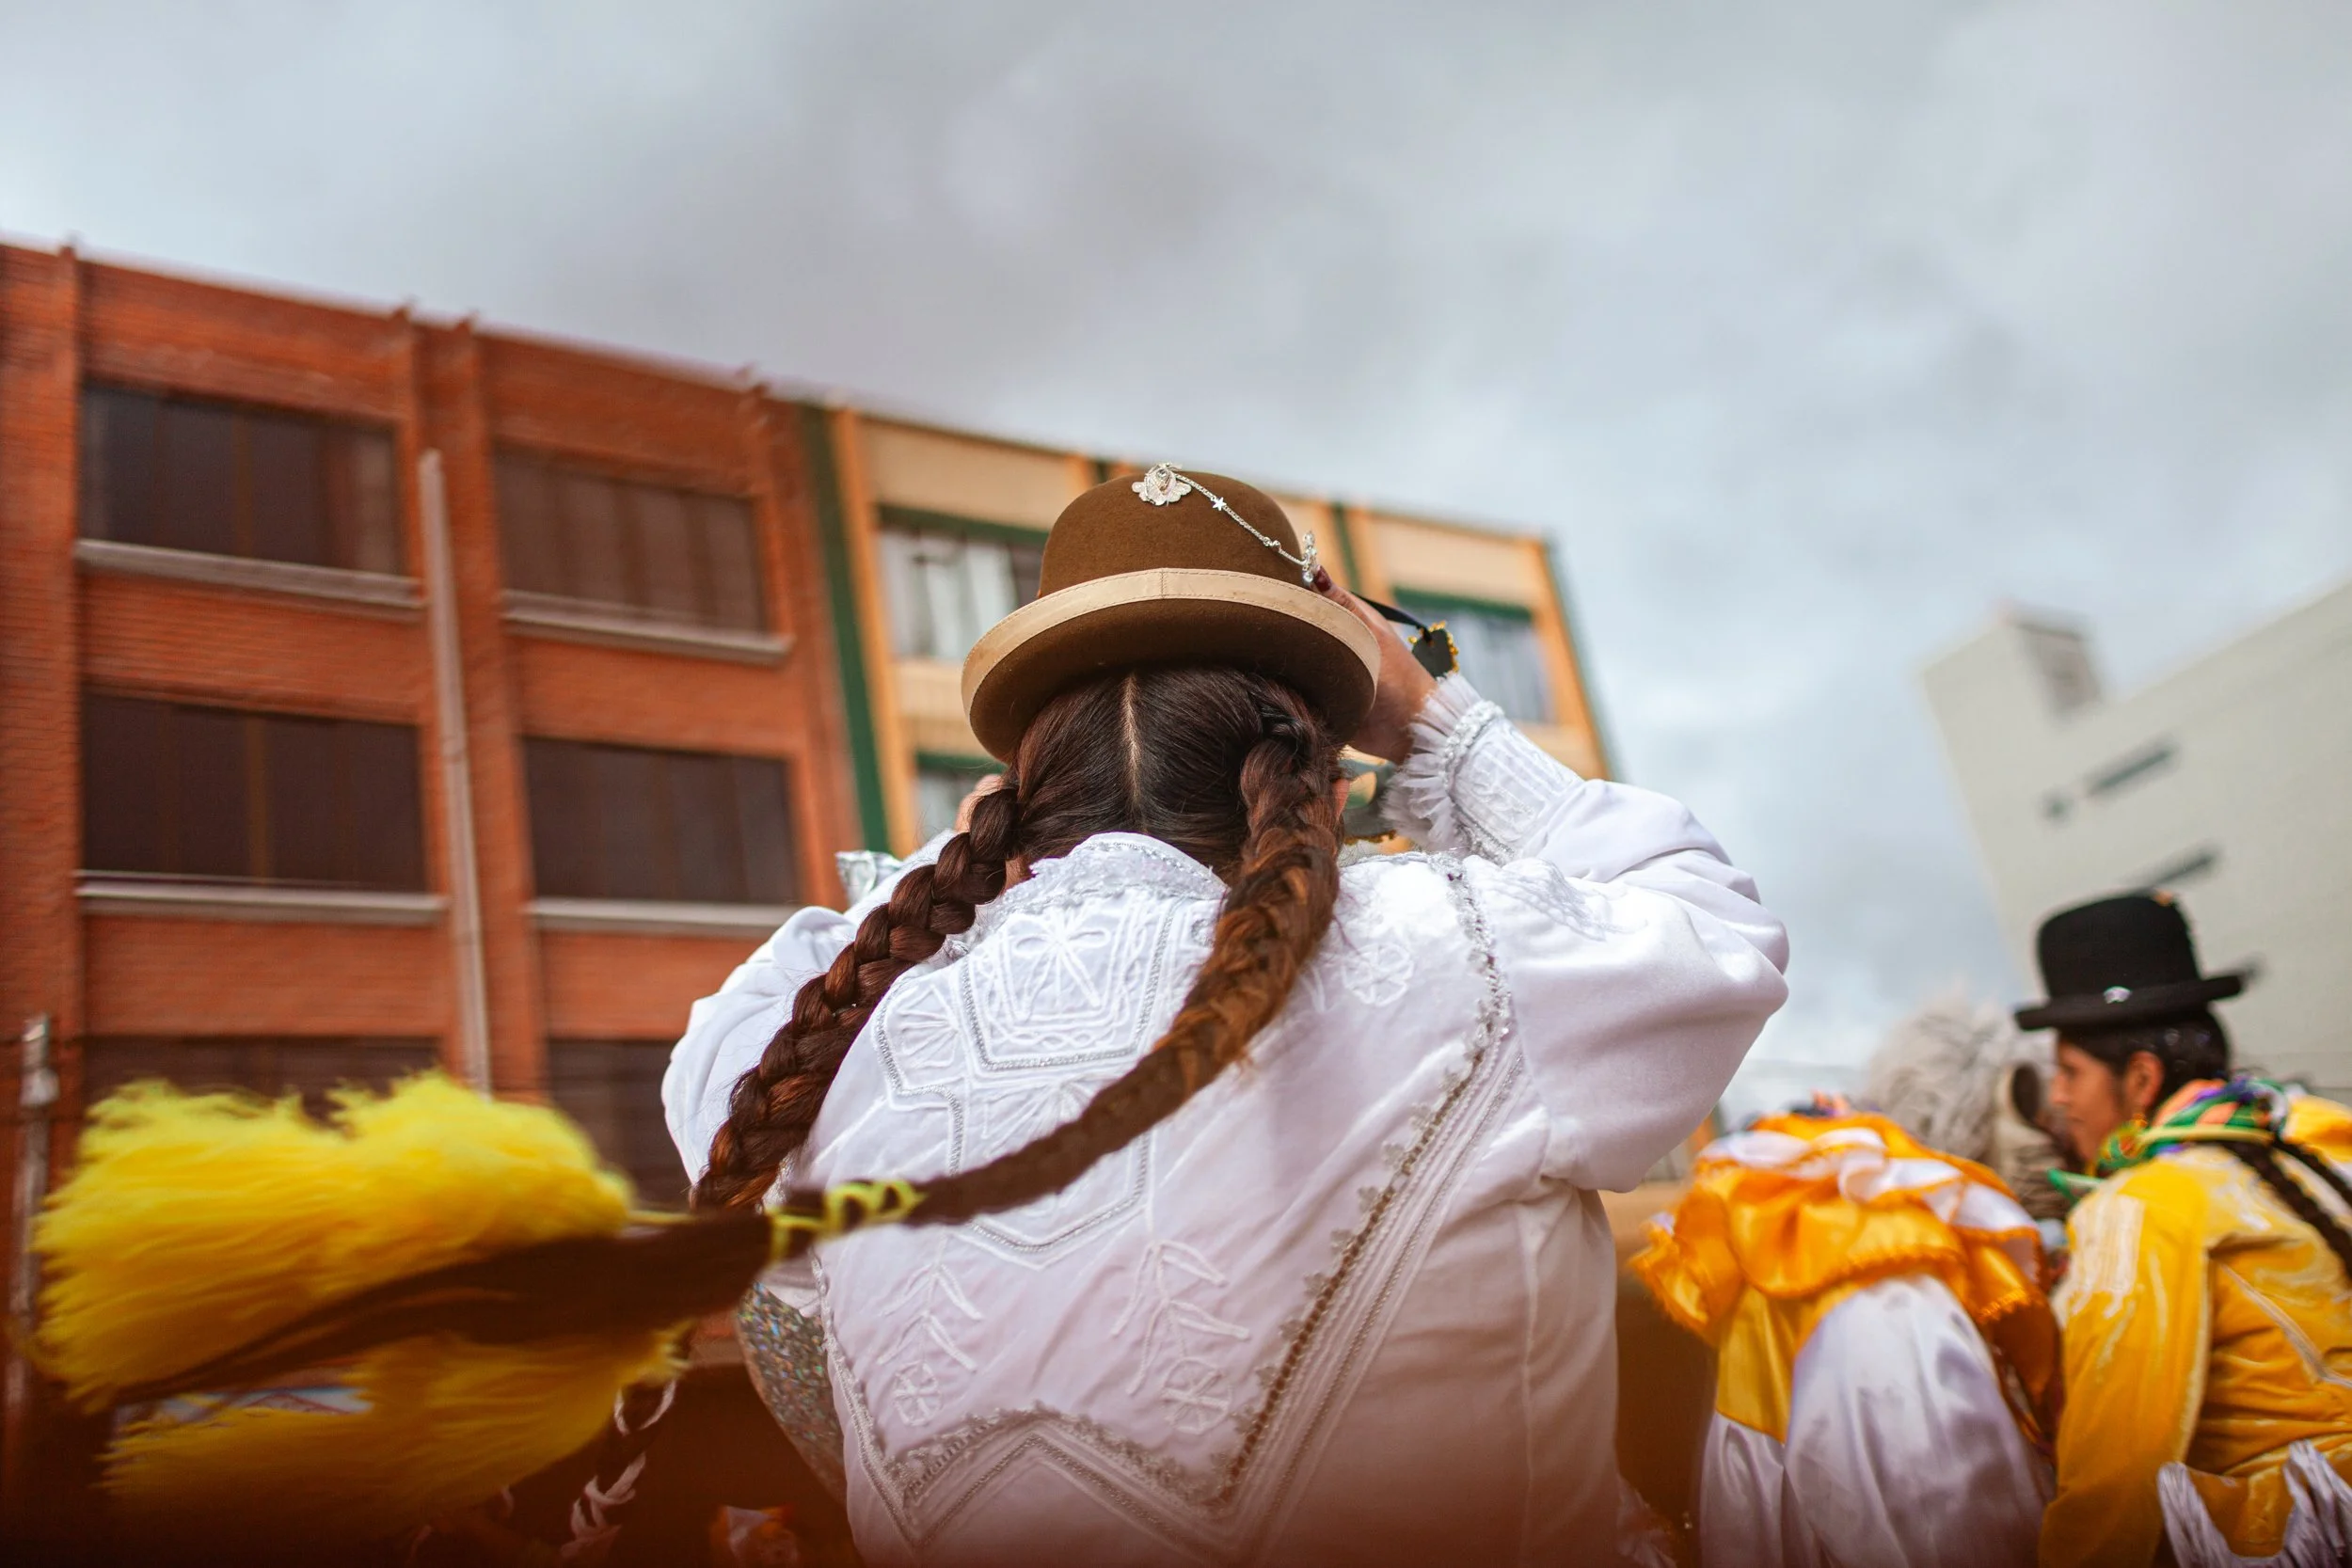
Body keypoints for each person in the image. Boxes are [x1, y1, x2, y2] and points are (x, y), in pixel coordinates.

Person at [665, 466, 1789, 1565]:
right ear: (1326, 781)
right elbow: (1710, 928)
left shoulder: (826, 1052)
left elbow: (731, 1039)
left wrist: (964, 853)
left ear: (1024, 789)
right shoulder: (1457, 946)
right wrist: (1436, 717)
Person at [1633, 996, 2060, 1568]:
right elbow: (1951, 1512)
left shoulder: (1859, 1230)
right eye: (2032, 1100)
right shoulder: (1876, 1252)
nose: (2058, 1119)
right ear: (1975, 1116)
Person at [2027, 893, 2352, 1568]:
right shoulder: (2322, 1146)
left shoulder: (2140, 1207)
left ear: (2140, 1077)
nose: (2057, 1097)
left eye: (2069, 1071)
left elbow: (2116, 1478)